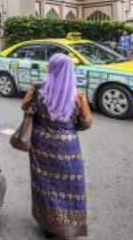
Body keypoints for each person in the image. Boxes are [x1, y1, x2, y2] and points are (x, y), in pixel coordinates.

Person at [22, 53, 93, 239]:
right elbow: (86, 123)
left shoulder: (37, 90)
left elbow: (25, 107)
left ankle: (49, 226)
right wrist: (69, 128)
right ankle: (69, 227)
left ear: (51, 68)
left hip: (41, 146)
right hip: (68, 149)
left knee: (44, 185)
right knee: (70, 187)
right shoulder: (78, 96)